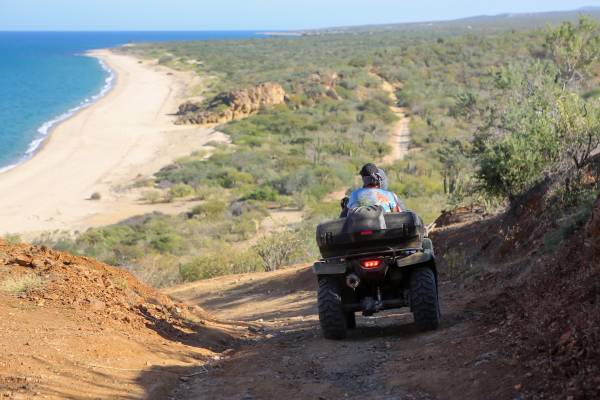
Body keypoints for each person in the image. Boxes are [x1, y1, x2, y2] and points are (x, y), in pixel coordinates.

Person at [340, 163, 405, 217]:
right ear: (378, 178)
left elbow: (344, 216)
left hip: (358, 229)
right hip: (385, 230)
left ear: (363, 179)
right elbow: (397, 216)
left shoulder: (354, 194)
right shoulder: (389, 195)